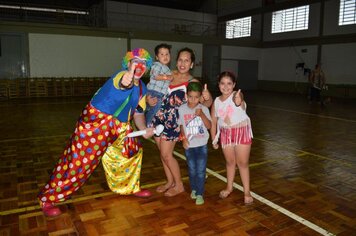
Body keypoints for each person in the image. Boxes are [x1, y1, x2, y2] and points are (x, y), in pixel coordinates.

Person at [38, 48, 155, 217]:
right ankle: (48, 198)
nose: (139, 65)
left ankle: (128, 187)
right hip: (96, 122)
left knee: (131, 151)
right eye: (135, 61)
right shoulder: (120, 76)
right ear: (127, 64)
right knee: (79, 162)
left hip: (120, 125)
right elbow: (123, 83)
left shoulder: (143, 88)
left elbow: (138, 112)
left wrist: (143, 129)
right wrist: (126, 80)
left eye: (143, 63)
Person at [147, 47, 212, 197]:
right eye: (180, 59)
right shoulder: (168, 74)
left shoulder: (193, 82)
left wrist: (207, 97)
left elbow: (205, 104)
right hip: (158, 118)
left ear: (191, 64)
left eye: (186, 60)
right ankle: (170, 182)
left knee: (167, 154)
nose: (183, 63)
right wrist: (149, 100)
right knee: (162, 154)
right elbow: (153, 90)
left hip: (174, 122)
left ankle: (179, 185)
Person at [210, 71, 253, 205]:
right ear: (218, 85)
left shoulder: (236, 95)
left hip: (241, 132)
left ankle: (247, 191)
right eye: (223, 83)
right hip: (226, 135)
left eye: (229, 83)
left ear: (234, 85)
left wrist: (239, 101)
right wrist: (213, 139)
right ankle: (229, 187)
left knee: (243, 163)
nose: (226, 86)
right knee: (230, 162)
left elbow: (241, 102)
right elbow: (214, 122)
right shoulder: (216, 101)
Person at [178, 82, 211, 205]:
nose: (193, 100)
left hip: (202, 145)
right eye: (190, 97)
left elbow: (209, 126)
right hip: (189, 146)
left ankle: (200, 194)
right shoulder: (181, 109)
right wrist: (183, 139)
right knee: (192, 169)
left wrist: (201, 114)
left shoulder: (204, 109)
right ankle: (194, 189)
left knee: (201, 170)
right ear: (186, 96)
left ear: (200, 97)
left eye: (196, 97)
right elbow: (181, 125)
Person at [145, 43, 173, 126]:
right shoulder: (157, 65)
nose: (165, 56)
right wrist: (167, 77)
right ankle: (147, 123)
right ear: (157, 57)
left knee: (153, 108)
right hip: (154, 91)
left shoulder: (166, 68)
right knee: (155, 107)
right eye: (162, 54)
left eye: (167, 54)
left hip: (159, 93)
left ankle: (147, 119)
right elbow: (155, 76)